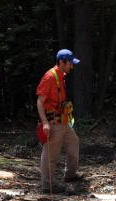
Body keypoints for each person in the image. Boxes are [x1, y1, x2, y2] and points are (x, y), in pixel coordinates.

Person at [36, 49, 83, 193]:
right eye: (70, 63)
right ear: (62, 62)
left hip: (64, 121)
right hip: (53, 124)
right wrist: (45, 123)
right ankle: (48, 185)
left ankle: (70, 174)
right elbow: (39, 102)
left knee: (74, 141)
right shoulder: (49, 77)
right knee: (51, 155)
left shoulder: (60, 75)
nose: (72, 67)